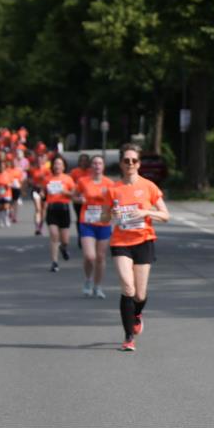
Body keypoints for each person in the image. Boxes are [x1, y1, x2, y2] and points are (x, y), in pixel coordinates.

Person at [109, 145, 170, 351]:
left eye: (134, 161)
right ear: (121, 164)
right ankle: (128, 337)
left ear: (139, 164)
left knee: (140, 295)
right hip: (120, 242)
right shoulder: (113, 189)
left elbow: (165, 215)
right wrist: (111, 215)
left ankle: (136, 314)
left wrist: (146, 212)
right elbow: (102, 216)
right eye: (126, 161)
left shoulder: (149, 186)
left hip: (143, 241)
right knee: (128, 288)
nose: (130, 164)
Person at [73, 155, 115, 298]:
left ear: (103, 166)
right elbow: (74, 196)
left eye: (100, 163)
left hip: (104, 219)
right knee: (90, 256)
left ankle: (98, 286)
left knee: (101, 257)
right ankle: (88, 280)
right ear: (91, 166)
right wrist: (80, 199)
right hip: (87, 220)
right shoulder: (83, 181)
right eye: (95, 163)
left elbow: (115, 201)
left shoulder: (110, 183)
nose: (97, 166)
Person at [70, 154, 92, 249]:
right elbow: (71, 185)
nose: (83, 162)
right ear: (79, 162)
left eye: (85, 160)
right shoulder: (75, 172)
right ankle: (81, 235)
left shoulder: (91, 171)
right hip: (78, 199)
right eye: (82, 160)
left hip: (90, 200)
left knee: (90, 218)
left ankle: (89, 236)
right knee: (80, 218)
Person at [0, 159, 15, 227]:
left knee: (6, 207)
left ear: (4, 166)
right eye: (0, 166)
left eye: (3, 166)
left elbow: (12, 182)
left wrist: (8, 184)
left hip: (7, 193)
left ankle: (6, 219)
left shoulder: (8, 174)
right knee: (0, 208)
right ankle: (1, 221)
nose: (1, 167)